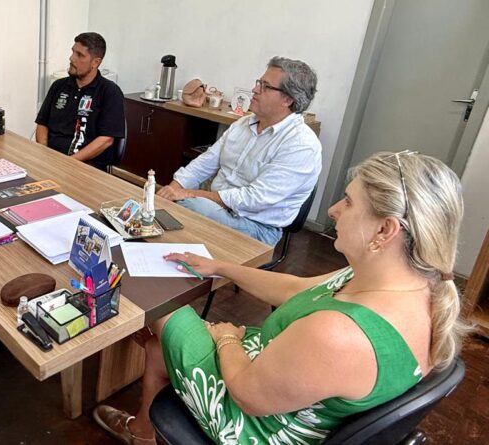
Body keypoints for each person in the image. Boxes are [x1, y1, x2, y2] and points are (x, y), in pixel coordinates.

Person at [95, 151, 469, 444]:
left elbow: (247, 396)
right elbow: (295, 290)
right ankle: (143, 432)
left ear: (386, 230)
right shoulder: (412, 286)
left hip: (251, 421)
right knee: (160, 343)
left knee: (158, 299)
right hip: (280, 381)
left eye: (348, 202)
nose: (333, 210)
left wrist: (226, 339)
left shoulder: (341, 334)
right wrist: (220, 267)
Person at [157, 57, 321, 246]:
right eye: (258, 82)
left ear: (288, 99)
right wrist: (172, 190)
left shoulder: (301, 145)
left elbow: (254, 199)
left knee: (188, 206)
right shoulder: (243, 124)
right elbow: (205, 163)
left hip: (256, 227)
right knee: (167, 204)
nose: (255, 89)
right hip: (217, 208)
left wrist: (187, 194)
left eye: (265, 86)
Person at [35, 32, 125, 171]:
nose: (72, 58)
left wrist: (68, 163)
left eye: (80, 55)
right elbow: (42, 124)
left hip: (86, 167)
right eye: (73, 52)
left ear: (95, 62)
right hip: (51, 162)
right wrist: (44, 154)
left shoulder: (110, 92)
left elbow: (106, 140)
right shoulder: (58, 86)